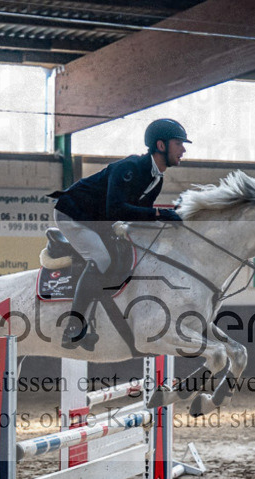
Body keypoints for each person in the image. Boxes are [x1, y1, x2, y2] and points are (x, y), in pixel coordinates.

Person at [51, 118, 190, 348]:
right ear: (161, 145)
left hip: (98, 220)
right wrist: (158, 215)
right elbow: (115, 210)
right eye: (179, 143)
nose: (184, 149)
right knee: (102, 258)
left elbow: (138, 215)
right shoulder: (130, 168)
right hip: (73, 213)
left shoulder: (156, 180)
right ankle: (73, 328)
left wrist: (166, 221)